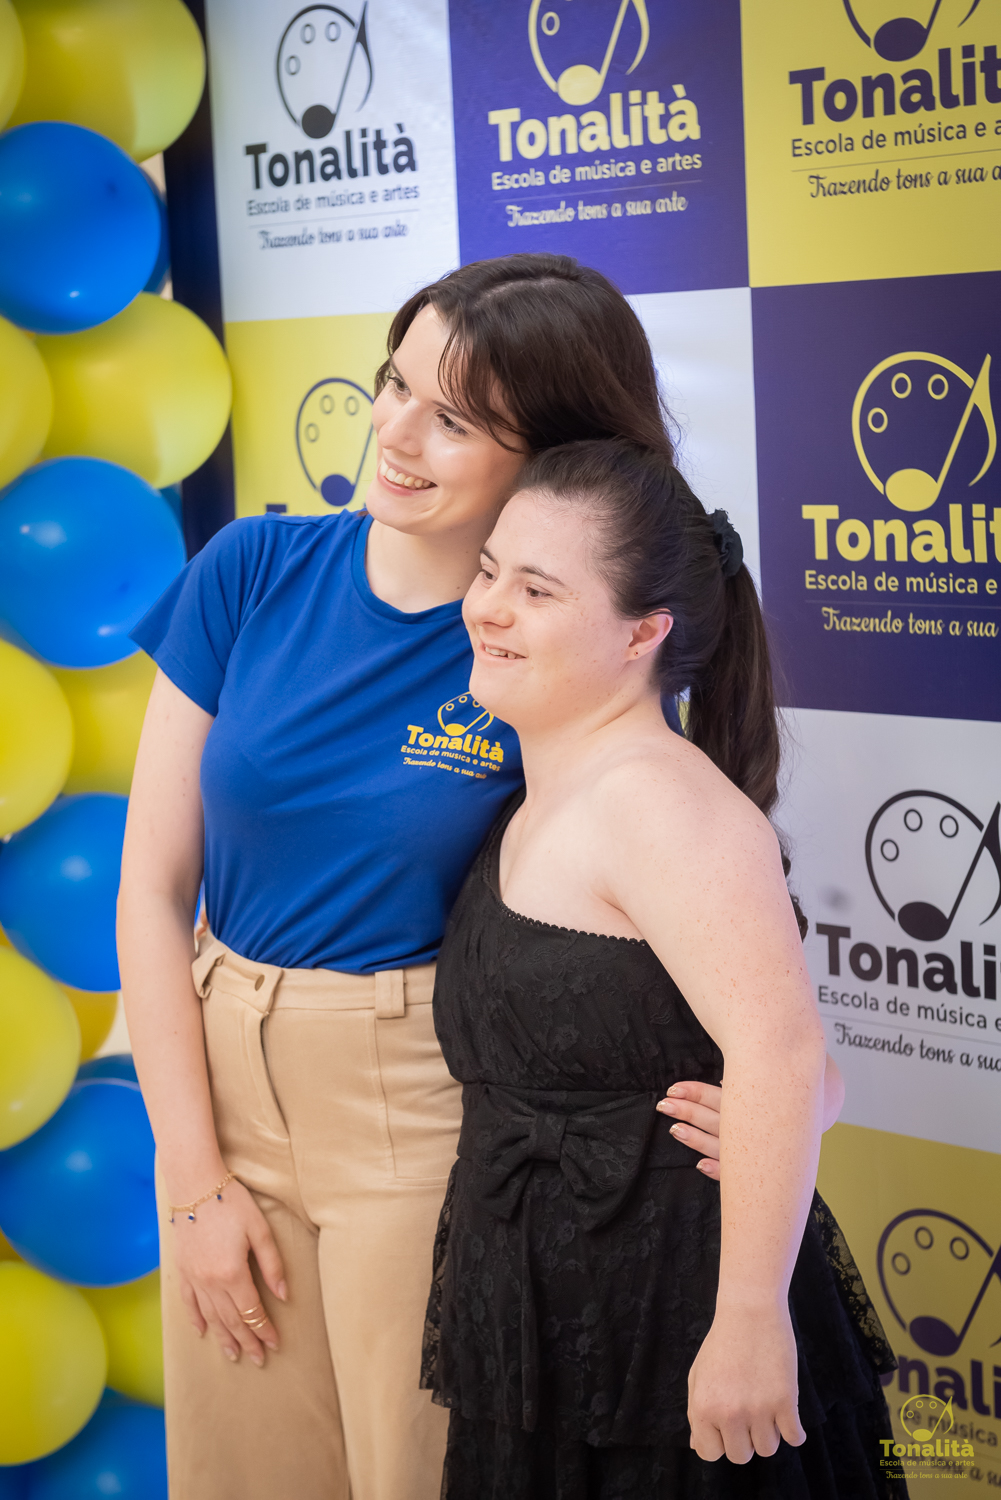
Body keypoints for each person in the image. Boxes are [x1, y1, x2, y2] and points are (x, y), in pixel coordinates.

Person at [117, 254, 737, 1500]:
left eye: (450, 419)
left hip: (423, 1108)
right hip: (217, 1080)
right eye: (393, 384)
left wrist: (778, 1091)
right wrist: (191, 1181)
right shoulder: (249, 567)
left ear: (549, 456)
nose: (392, 434)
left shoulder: (544, 650)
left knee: (419, 1473)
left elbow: (674, 891)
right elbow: (150, 888)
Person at [421, 439, 903, 1498]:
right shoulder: (547, 787)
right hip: (550, 1311)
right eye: (490, 570)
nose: (487, 608)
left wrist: (747, 1321)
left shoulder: (657, 799)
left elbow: (781, 1051)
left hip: (674, 1321)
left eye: (536, 590)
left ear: (643, 632)